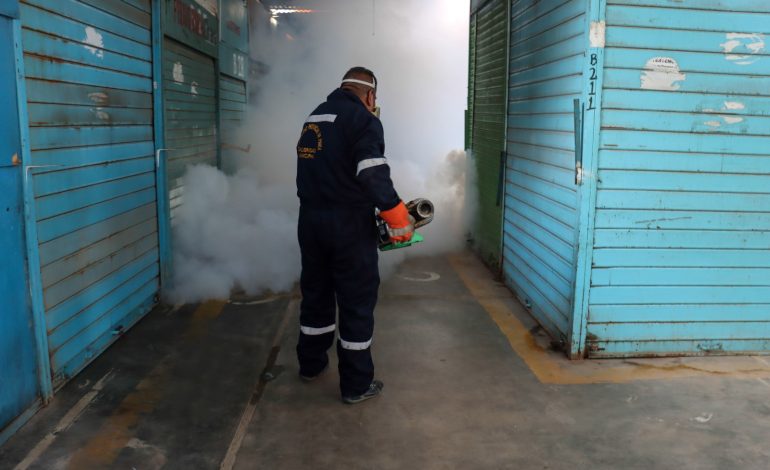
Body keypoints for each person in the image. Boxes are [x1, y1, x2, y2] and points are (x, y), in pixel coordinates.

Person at [295, 66, 413, 404]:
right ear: (370, 95)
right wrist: (395, 213)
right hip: (347, 224)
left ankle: (311, 365)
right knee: (356, 301)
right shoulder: (364, 120)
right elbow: (371, 171)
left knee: (316, 293)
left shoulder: (315, 117)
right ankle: (356, 385)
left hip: (311, 221)